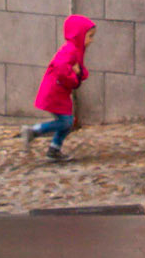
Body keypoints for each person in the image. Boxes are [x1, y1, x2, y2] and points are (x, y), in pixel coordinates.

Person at [21, 15, 95, 161]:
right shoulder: (71, 50)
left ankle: (54, 149)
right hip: (55, 91)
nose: (91, 40)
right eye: (89, 36)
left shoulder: (76, 50)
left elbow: (78, 69)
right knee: (66, 122)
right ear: (79, 35)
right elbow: (62, 70)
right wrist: (75, 78)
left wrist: (80, 73)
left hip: (59, 91)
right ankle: (34, 131)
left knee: (68, 122)